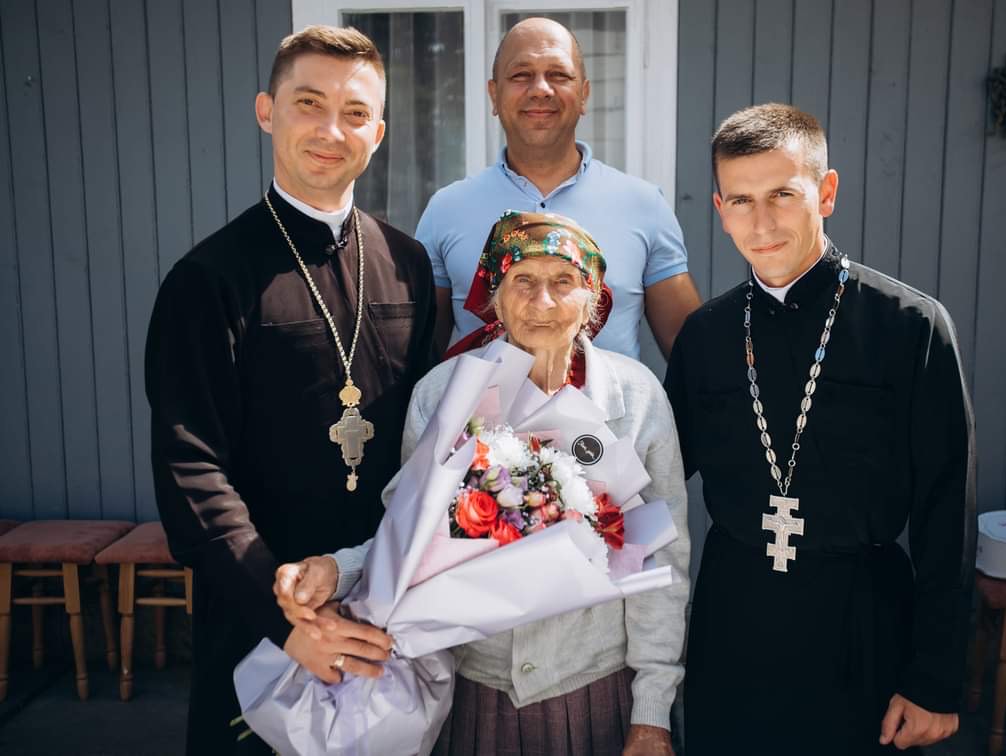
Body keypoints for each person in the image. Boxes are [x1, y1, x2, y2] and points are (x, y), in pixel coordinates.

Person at [277, 211, 690, 755]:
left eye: (563, 281)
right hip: (473, 690)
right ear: (496, 296)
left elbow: (661, 562)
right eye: (523, 281)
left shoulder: (636, 398)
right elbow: (408, 542)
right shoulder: (444, 393)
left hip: (594, 687)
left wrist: (652, 711)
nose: (543, 301)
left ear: (592, 296)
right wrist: (340, 570)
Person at [144, 26, 435, 754]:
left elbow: (434, 445)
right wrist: (287, 623)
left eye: (356, 112)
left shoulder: (407, 264)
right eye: (309, 103)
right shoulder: (209, 279)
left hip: (388, 614)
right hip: (258, 620)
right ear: (266, 111)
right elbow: (191, 470)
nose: (332, 130)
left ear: (378, 133)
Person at [664, 104, 976, 755]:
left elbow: (947, 511)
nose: (762, 222)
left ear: (826, 192)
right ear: (720, 209)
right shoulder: (706, 335)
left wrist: (935, 680)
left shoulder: (910, 327)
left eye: (783, 194)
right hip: (733, 623)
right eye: (742, 200)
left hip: (860, 623)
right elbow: (652, 476)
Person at [416, 17, 701, 361]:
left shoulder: (644, 205)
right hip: (482, 399)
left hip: (612, 399)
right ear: (494, 94)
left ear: (584, 94)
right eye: (521, 75)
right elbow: (420, 360)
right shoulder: (446, 210)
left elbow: (694, 359)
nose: (540, 89)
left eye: (559, 75)